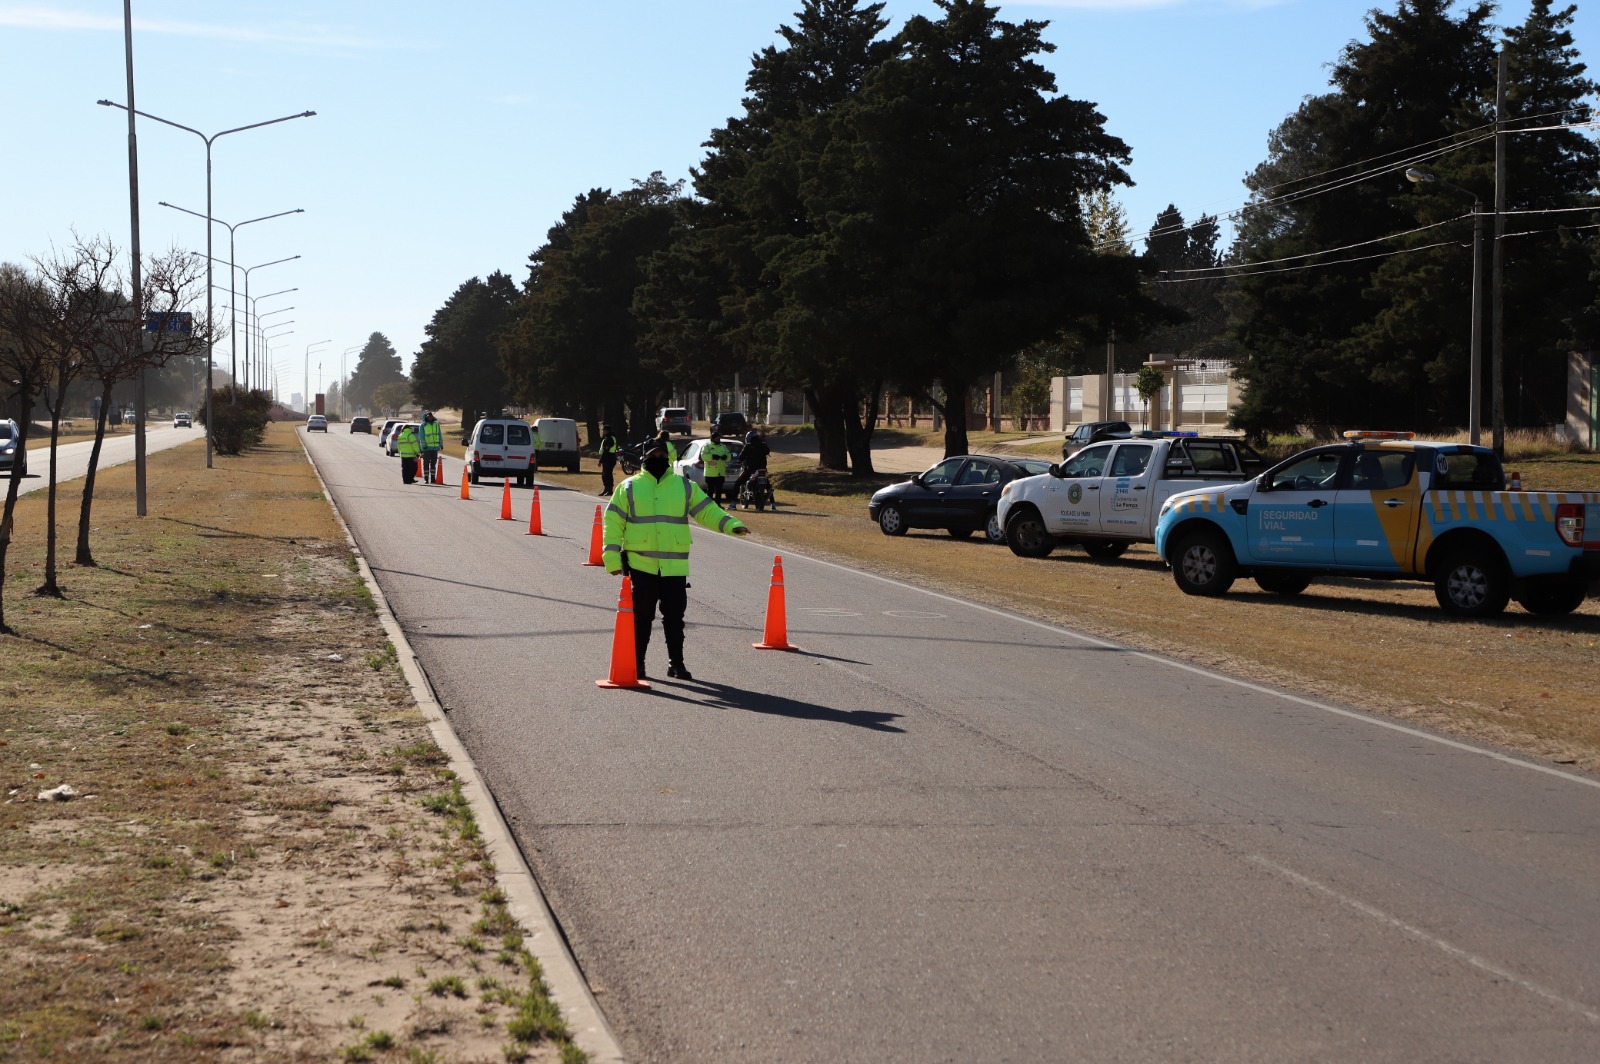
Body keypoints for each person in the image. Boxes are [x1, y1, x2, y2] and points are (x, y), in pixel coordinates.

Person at [604, 439, 749, 679]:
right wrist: (611, 558)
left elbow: (707, 510)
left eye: (662, 455)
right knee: (641, 618)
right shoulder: (628, 487)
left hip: (674, 567)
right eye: (653, 455)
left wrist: (731, 524)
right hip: (641, 565)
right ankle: (637, 664)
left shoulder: (684, 486)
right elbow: (613, 523)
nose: (658, 459)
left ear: (668, 458)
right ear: (644, 458)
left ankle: (677, 664)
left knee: (674, 619)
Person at [731, 430, 771, 508]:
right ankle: (773, 505)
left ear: (748, 438)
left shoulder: (748, 446)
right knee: (768, 486)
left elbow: (741, 457)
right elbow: (768, 451)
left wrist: (741, 460)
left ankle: (733, 504)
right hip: (762, 470)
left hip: (750, 470)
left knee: (737, 484)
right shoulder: (763, 445)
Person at [701, 430, 732, 504]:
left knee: (719, 490)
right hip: (710, 473)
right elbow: (703, 456)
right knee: (710, 490)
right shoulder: (707, 446)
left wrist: (726, 457)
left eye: (719, 438)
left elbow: (729, 456)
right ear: (712, 439)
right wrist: (712, 456)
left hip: (720, 472)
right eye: (716, 438)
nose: (718, 440)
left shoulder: (723, 447)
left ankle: (718, 505)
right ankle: (709, 505)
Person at [419, 411, 444, 483]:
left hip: (435, 448)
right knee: (426, 463)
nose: (430, 418)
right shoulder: (423, 425)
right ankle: (426, 478)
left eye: (431, 416)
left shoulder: (436, 425)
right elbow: (422, 437)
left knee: (433, 463)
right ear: (426, 417)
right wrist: (424, 446)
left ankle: (433, 478)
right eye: (428, 417)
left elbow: (439, 435)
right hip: (427, 448)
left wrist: (441, 445)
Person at [597, 422, 619, 497]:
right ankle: (607, 489)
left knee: (607, 475)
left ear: (607, 431)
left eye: (604, 430)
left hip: (608, 458)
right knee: (606, 474)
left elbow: (606, 451)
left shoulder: (608, 439)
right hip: (611, 458)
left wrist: (600, 461)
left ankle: (609, 490)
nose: (603, 431)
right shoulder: (612, 437)